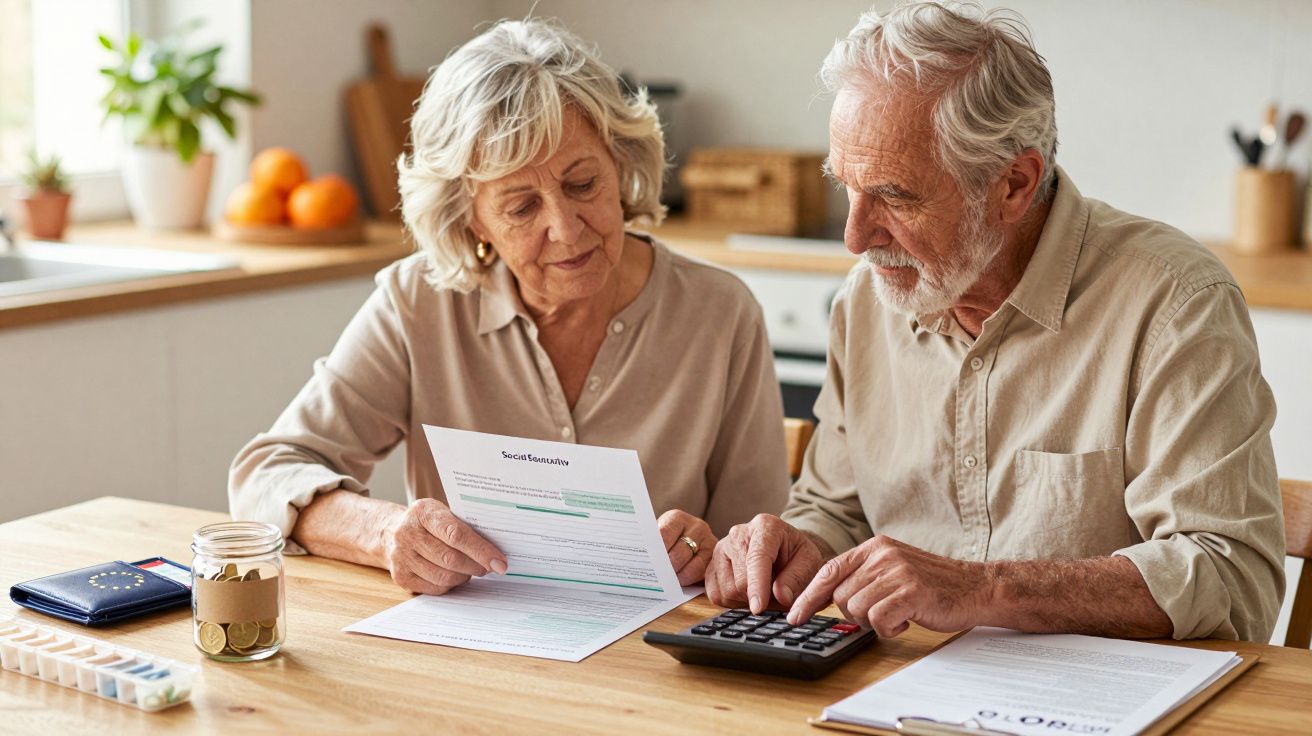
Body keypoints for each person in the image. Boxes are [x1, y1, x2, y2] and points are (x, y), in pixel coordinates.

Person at [706, 1, 1285, 642]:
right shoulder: (866, 301)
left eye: (895, 196)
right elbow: (836, 511)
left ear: (1013, 184)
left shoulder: (1175, 303)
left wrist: (981, 589)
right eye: (846, 187)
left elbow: (1231, 579)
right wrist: (795, 550)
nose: (854, 237)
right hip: (900, 686)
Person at [229, 19, 789, 596]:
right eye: (521, 207)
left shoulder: (719, 313)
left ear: (620, 165)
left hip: (657, 660)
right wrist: (387, 531)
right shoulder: (418, 303)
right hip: (471, 656)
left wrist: (711, 550)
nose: (567, 231)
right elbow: (266, 473)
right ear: (470, 218)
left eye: (582, 184)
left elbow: (766, 543)